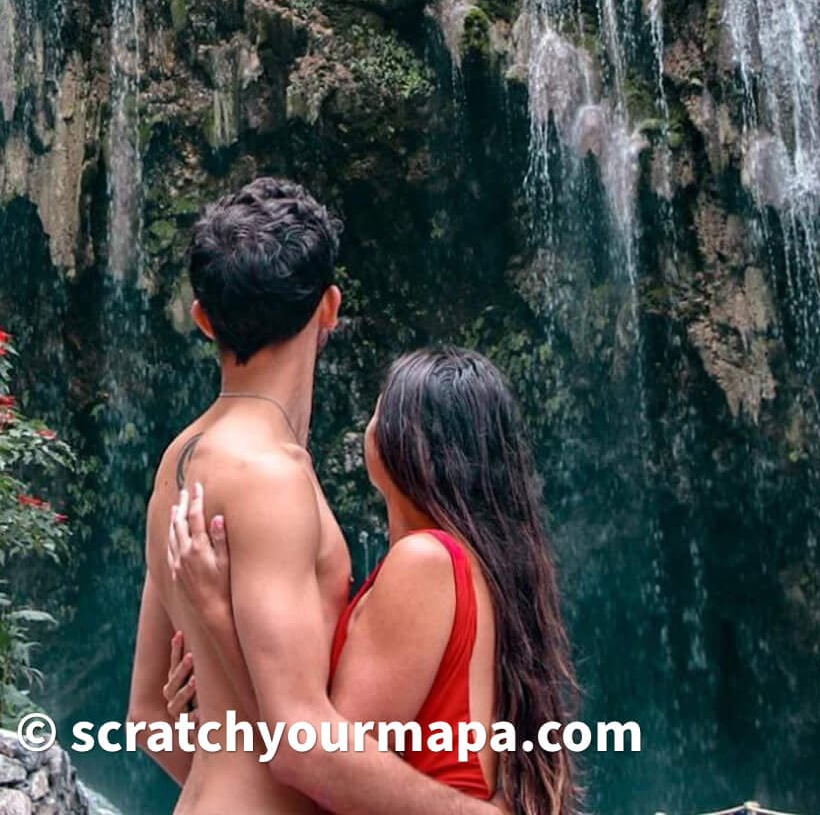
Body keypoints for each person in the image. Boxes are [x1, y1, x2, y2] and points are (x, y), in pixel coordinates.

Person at [126, 175, 579, 814]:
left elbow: (147, 717)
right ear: (331, 307)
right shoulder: (273, 477)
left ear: (203, 319)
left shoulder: (178, 461)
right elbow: (302, 747)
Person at [168, 346, 580, 815]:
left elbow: (317, 767)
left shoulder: (426, 561)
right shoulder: (474, 565)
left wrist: (218, 618)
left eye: (380, 407)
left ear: (405, 444)